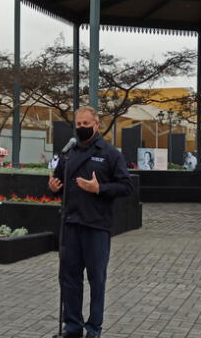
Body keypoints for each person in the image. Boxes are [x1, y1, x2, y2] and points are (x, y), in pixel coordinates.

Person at [48, 106, 134, 338]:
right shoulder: (69, 152)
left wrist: (99, 189)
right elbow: (58, 182)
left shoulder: (110, 153)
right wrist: (54, 188)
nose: (82, 128)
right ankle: (72, 326)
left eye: (86, 124)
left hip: (96, 226)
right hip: (71, 224)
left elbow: (126, 187)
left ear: (97, 125)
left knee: (97, 280)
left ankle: (93, 328)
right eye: (79, 124)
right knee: (69, 278)